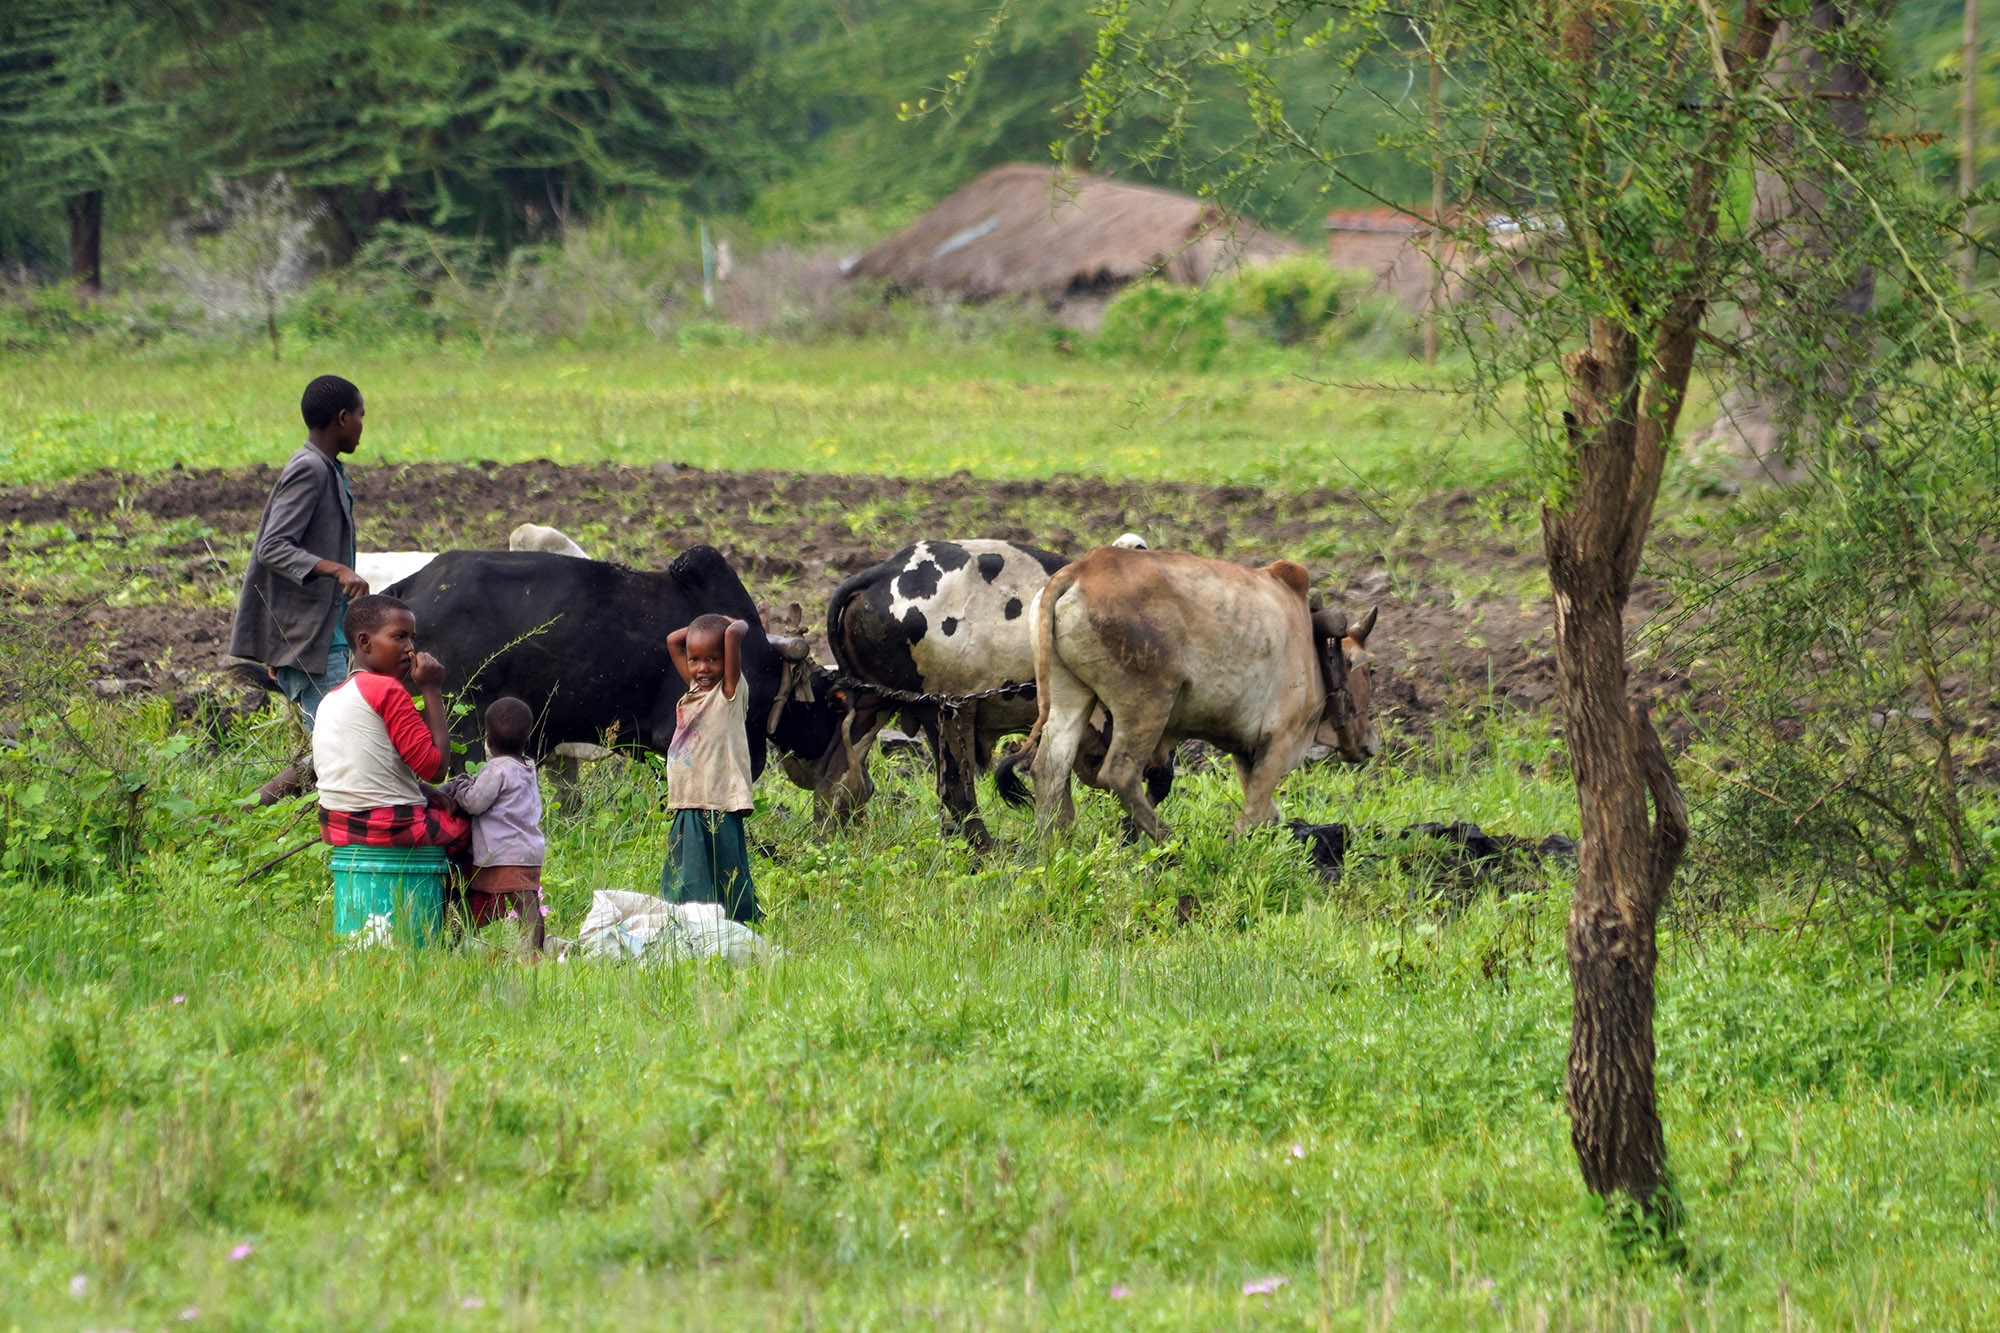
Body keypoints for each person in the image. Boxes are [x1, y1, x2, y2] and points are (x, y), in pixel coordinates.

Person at [230, 374, 370, 803]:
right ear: (343, 418)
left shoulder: (328, 469)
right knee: (339, 750)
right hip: (314, 639)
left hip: (320, 635)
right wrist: (337, 570)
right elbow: (273, 546)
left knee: (331, 748)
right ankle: (243, 817)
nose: (364, 424)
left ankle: (247, 815)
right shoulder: (309, 469)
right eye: (361, 415)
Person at [312, 594, 469, 864]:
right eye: (399, 637)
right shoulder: (386, 690)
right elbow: (436, 769)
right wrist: (431, 689)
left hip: (336, 824)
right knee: (472, 828)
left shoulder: (333, 697)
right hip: (390, 825)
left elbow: (369, 771)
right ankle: (470, 905)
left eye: (412, 638)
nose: (410, 649)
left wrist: (424, 792)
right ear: (365, 642)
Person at [662, 613, 761, 923]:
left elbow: (735, 633)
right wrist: (706, 629)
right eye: (695, 660)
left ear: (726, 660)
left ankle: (733, 925)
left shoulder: (728, 693)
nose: (702, 667)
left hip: (718, 801)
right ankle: (691, 926)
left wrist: (727, 624)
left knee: (726, 871)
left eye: (713, 659)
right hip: (688, 801)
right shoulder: (695, 689)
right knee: (687, 876)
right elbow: (673, 641)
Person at [442, 697, 548, 955]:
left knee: (523, 902)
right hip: (528, 849)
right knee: (523, 899)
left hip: (505, 853)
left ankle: (532, 954)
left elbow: (476, 803)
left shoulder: (497, 769)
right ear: (528, 741)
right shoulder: (527, 768)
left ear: (487, 740)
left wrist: (462, 788)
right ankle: (453, 945)